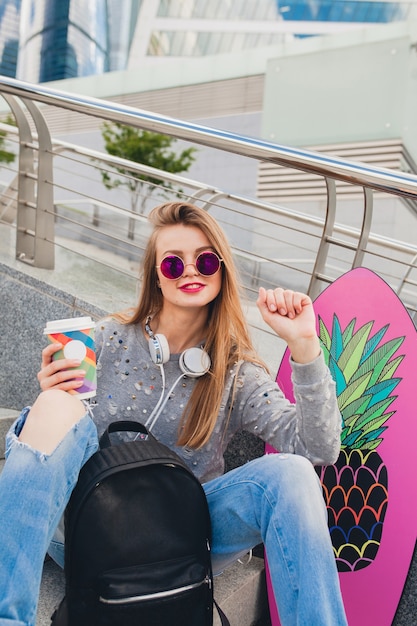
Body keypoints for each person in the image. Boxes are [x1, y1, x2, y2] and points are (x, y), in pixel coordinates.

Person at [0, 201, 348, 625]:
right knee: (54, 405)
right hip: (87, 532)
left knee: (292, 473)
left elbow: (319, 447)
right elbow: (42, 456)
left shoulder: (236, 372)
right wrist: (51, 401)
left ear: (221, 272)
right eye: (172, 263)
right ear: (155, 276)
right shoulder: (104, 340)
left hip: (180, 538)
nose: (190, 272)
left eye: (204, 260)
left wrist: (305, 345)